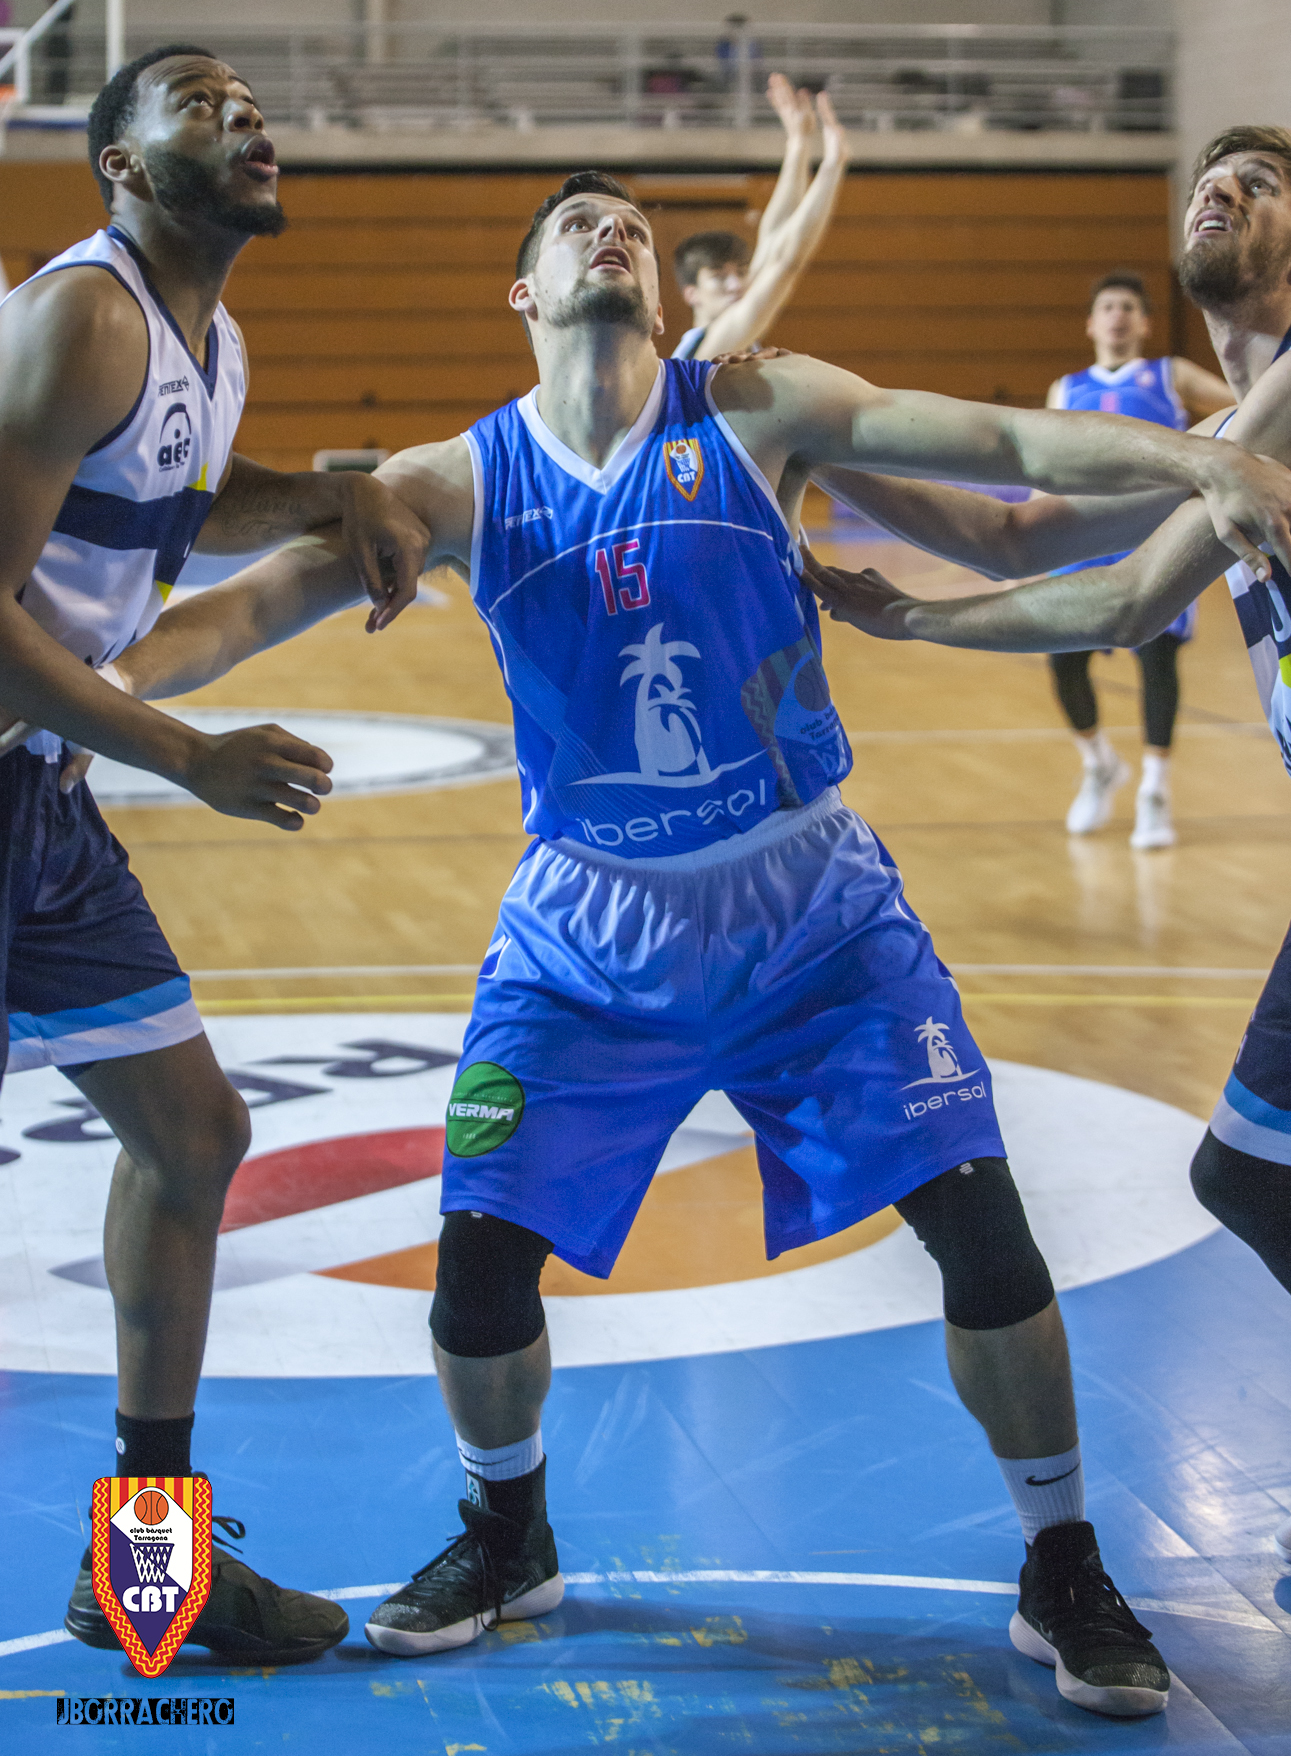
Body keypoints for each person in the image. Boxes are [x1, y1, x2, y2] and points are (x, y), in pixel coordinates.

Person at [95, 168, 1291, 1715]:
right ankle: (508, 1533)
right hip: (586, 930)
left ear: (661, 295)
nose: (612, 234)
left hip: (811, 912)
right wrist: (97, 690)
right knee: (476, 1276)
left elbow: (1003, 447)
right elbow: (249, 607)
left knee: (983, 1237)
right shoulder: (454, 479)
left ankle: (1059, 1562)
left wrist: (1200, 457)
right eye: (574, 225)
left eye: (635, 231)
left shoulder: (751, 402)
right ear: (521, 293)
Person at [800, 124, 1291, 1574]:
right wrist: (820, 446)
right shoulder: (1228, 432)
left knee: (1248, 1175)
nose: (1222, 186)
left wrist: (912, 611)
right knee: (1247, 1175)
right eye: (1210, 174)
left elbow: (1117, 597)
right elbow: (1025, 542)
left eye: (1263, 180)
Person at [0, 42, 429, 1663]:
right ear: (119, 163)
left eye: (249, 98)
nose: (244, 114)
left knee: (194, 1137)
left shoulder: (210, 341)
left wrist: (333, 495)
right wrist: (190, 758)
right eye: (198, 100)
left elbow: (181, 488)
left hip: (38, 799)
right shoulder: (82, 316)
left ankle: (145, 1571)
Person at [1044, 270, 1233, 847]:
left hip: (1156, 537)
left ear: (1145, 323)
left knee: (1157, 658)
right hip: (1081, 538)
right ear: (1091, 323)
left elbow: (1245, 409)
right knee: (1063, 661)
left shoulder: (1171, 375)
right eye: (1108, 306)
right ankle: (1099, 763)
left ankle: (1155, 789)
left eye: (1129, 306)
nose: (1118, 315)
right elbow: (1043, 469)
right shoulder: (1065, 388)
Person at [671, 72, 849, 360]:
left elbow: (775, 234)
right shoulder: (708, 349)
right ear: (692, 294)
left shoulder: (737, 331)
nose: (736, 285)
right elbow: (786, 261)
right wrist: (832, 165)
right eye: (719, 277)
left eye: (741, 273)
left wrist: (798, 142)